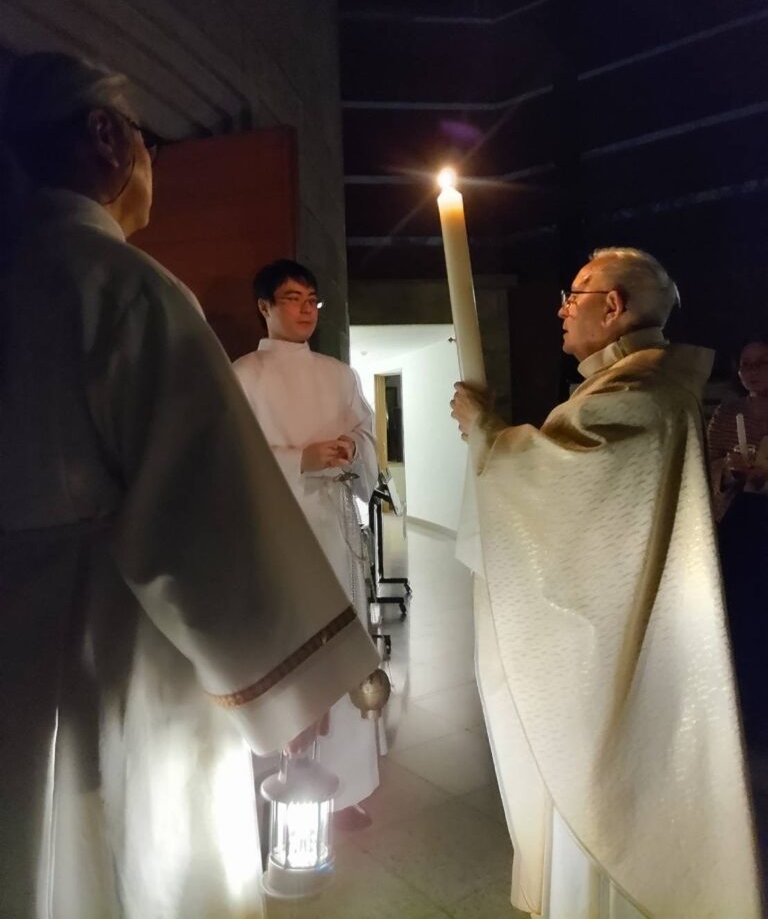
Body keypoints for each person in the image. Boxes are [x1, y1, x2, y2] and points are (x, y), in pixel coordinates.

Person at [0, 53, 378, 919]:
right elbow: (200, 524)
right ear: (104, 135)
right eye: (145, 139)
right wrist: (290, 683)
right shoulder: (123, 288)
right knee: (130, 858)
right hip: (110, 646)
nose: (152, 162)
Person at [450, 248, 760, 919]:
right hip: (611, 614)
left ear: (613, 306)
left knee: (605, 777)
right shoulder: (628, 383)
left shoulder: (643, 391)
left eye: (575, 294)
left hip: (617, 639)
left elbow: (563, 479)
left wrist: (485, 432)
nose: (563, 309)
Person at [234, 260, 381, 828]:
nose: (305, 309)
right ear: (265, 307)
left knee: (340, 655)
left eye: (312, 299)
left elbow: (366, 432)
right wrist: (301, 459)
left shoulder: (340, 375)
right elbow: (230, 459)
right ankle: (279, 783)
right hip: (278, 534)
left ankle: (345, 788)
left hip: (336, 532)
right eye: (292, 298)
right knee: (289, 658)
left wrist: (352, 447)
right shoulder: (243, 375)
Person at [708, 339, 768, 747]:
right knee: (743, 617)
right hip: (741, 524)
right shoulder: (728, 414)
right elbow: (708, 464)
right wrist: (731, 473)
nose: (753, 371)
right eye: (747, 364)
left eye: (762, 363)